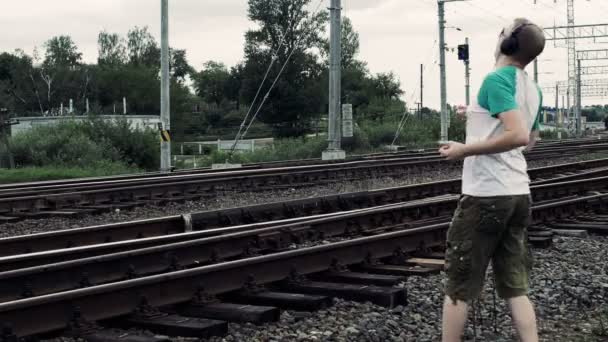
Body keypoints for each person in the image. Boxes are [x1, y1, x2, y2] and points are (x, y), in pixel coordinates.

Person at [438, 18, 546, 342]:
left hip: (486, 194)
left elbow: (518, 135)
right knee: (516, 284)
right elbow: (531, 140)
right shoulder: (532, 88)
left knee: (459, 284)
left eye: (504, 30)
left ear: (508, 42)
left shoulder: (496, 80)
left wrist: (465, 149)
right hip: (518, 194)